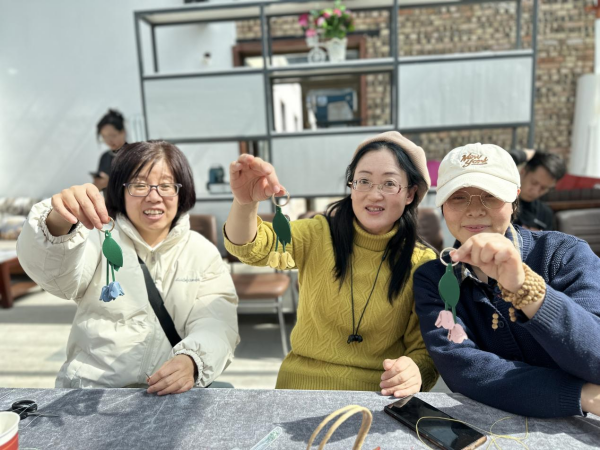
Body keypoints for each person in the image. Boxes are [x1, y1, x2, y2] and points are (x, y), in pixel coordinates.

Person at [223, 131, 439, 396]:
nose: (374, 194)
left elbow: (426, 351)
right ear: (351, 186)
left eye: (389, 183)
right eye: (363, 181)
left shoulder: (422, 263)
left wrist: (413, 370)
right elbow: (250, 247)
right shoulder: (318, 233)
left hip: (377, 397)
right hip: (299, 389)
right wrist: (244, 204)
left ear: (410, 194)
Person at [17, 140, 239, 394]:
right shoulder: (97, 236)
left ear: (182, 192)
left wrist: (193, 360)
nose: (153, 196)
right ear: (120, 190)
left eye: (166, 185)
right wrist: (58, 222)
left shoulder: (202, 252)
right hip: (92, 394)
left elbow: (217, 321)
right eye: (139, 185)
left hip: (167, 396)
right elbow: (55, 277)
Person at [413, 143, 600, 418]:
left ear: (515, 199)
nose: (475, 210)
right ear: (442, 205)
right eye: (458, 197)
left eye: (490, 195)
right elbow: (462, 368)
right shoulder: (434, 278)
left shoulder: (564, 254)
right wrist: (581, 395)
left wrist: (526, 288)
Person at [509, 148, 567, 231]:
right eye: (534, 183)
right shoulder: (502, 202)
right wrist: (530, 153)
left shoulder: (545, 214)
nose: (535, 192)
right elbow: (499, 161)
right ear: (523, 172)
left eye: (544, 188)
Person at [93, 109, 127, 191]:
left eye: (112, 135)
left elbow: (138, 186)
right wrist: (97, 185)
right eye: (104, 136)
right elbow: (98, 188)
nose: (109, 141)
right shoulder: (104, 157)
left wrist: (109, 183)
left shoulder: (134, 154)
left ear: (123, 132)